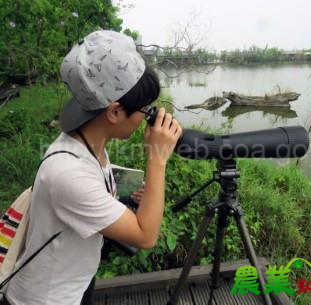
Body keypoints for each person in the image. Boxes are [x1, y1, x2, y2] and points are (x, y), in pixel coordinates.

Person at [3, 30, 182, 305]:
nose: (147, 119)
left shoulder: (88, 141)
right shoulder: (67, 173)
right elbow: (146, 236)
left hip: (75, 283)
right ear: (113, 112)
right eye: (145, 111)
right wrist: (157, 158)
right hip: (46, 298)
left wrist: (124, 201)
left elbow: (91, 192)